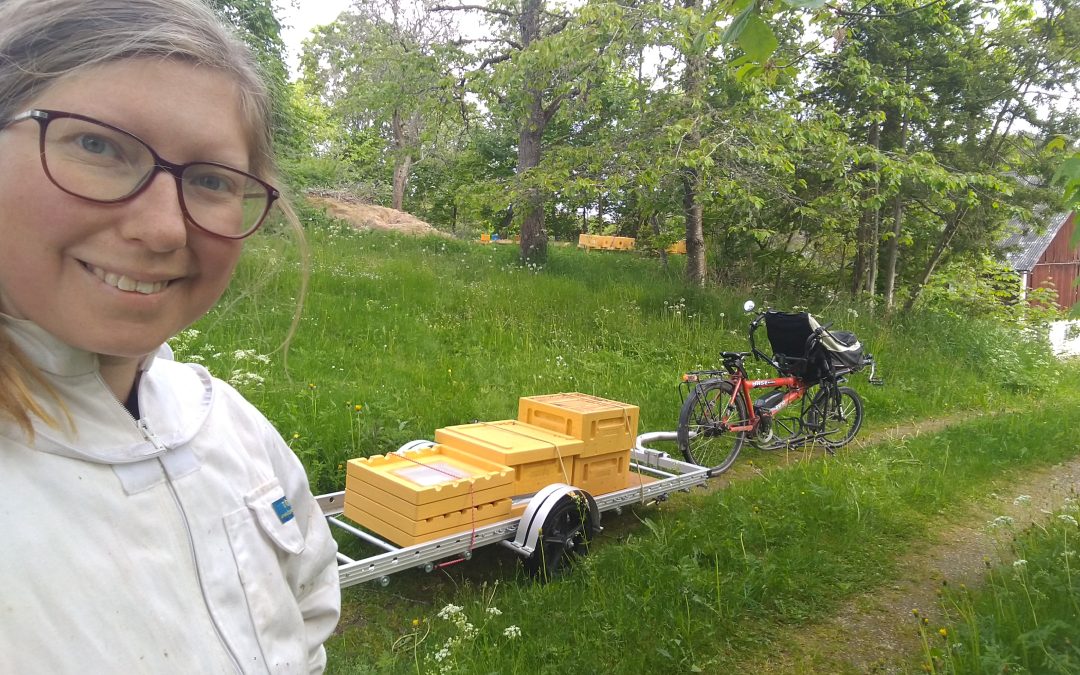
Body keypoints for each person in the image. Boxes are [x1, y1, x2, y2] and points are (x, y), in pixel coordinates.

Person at [0, 0, 341, 672]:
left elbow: (308, 613)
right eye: (98, 144)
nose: (162, 230)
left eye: (210, 180)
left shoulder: (235, 432)